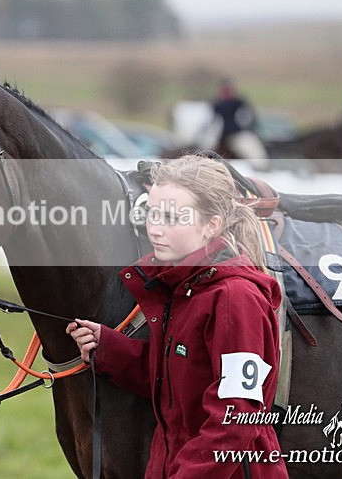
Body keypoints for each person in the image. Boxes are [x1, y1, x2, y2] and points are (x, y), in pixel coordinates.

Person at [66, 155, 287, 478]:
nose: (155, 228)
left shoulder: (234, 299)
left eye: (172, 217)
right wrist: (110, 349)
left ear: (212, 224)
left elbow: (236, 415)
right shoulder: (185, 288)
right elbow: (178, 379)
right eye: (153, 214)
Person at [211, 78, 269, 171]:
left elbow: (248, 120)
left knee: (251, 147)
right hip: (223, 137)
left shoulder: (239, 104)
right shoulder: (217, 106)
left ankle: (261, 169)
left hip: (238, 135)